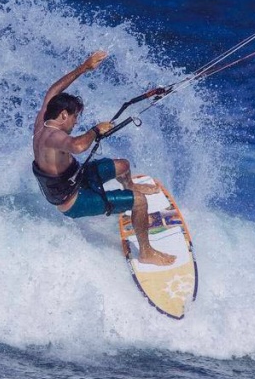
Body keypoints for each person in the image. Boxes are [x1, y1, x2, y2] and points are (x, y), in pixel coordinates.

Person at [32, 50, 176, 266]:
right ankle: (146, 253)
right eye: (74, 117)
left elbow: (53, 91)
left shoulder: (44, 120)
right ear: (63, 115)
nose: (75, 122)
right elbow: (78, 145)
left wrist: (84, 67)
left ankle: (131, 187)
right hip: (72, 200)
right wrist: (95, 130)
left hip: (76, 177)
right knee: (139, 202)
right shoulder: (53, 137)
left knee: (123, 165)